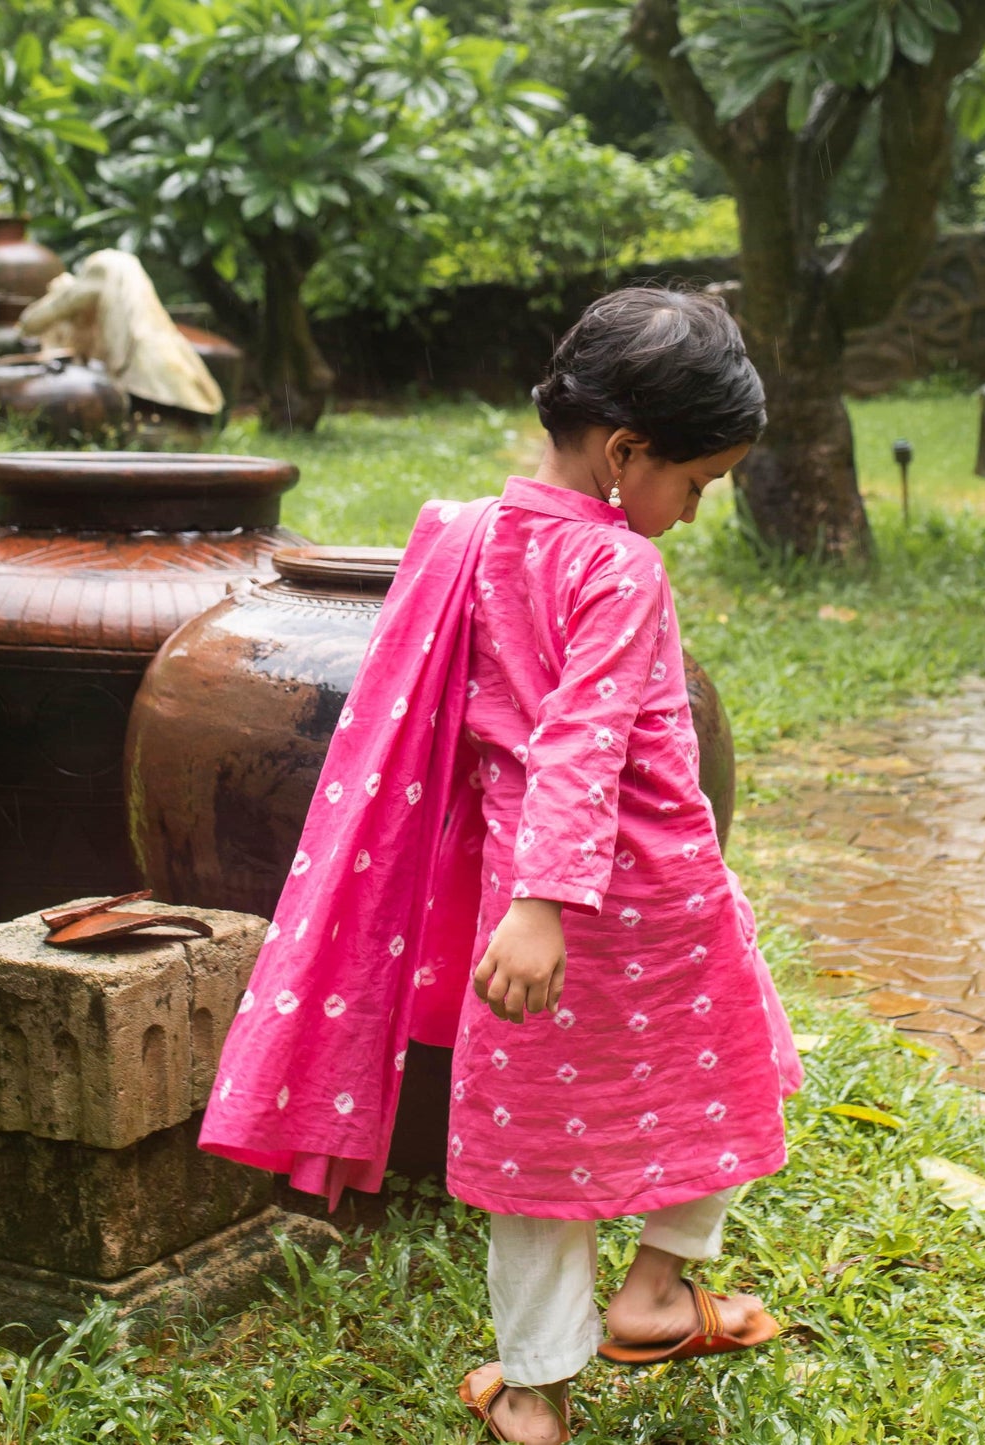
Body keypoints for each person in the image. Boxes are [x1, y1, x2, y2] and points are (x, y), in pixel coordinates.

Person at [198, 287, 805, 1445]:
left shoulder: (472, 534)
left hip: (528, 908)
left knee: (532, 1146)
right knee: (729, 1068)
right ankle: (659, 1286)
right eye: (697, 481)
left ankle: (533, 1392)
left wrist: (525, 903)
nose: (692, 506)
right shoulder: (619, 566)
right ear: (626, 453)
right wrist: (546, 902)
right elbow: (581, 737)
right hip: (624, 897)